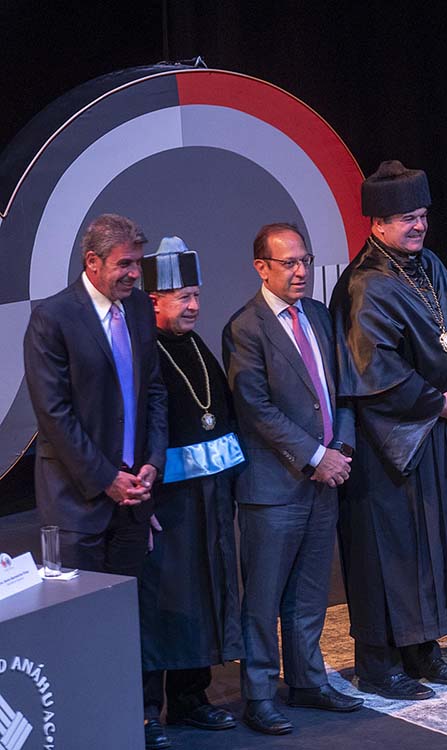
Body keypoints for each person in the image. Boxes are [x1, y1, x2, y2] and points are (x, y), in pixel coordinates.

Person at [330, 161, 447, 700]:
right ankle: (378, 664)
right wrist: (437, 401)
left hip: (438, 429)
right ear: (377, 223)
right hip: (390, 444)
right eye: (405, 219)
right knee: (389, 554)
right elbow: (373, 370)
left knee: (431, 545)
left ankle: (422, 648)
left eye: (421, 215)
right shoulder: (365, 283)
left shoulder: (430, 264)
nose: (418, 226)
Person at [223, 223, 361, 735]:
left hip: (324, 480)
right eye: (290, 263)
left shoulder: (319, 315)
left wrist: (341, 450)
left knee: (308, 593)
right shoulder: (245, 327)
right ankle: (259, 694)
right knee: (263, 599)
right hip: (274, 488)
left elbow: (342, 391)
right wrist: (316, 456)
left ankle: (307, 681)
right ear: (261, 268)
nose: (301, 271)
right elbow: (256, 408)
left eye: (305, 260)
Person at [138, 239, 244, 749]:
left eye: (197, 295)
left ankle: (190, 698)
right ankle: (146, 711)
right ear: (154, 299)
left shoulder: (197, 346)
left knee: (202, 597)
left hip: (209, 501)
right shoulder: (141, 351)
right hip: (168, 506)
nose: (194, 305)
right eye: (183, 297)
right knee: (163, 605)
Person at [23, 213, 167, 577]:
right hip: (76, 508)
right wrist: (106, 478)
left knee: (130, 606)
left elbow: (153, 389)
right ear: (92, 261)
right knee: (83, 612)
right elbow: (54, 415)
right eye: (125, 264)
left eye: (138, 263)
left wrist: (153, 460)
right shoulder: (52, 318)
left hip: (134, 502)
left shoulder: (139, 308)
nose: (135, 273)